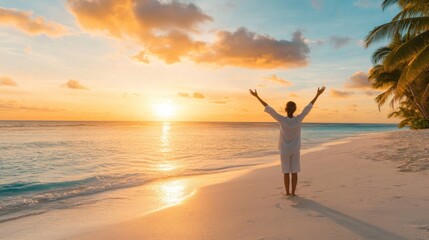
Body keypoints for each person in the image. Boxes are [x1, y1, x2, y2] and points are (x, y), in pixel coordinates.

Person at [249, 87, 326, 196]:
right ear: (294, 109)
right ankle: (293, 193)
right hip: (295, 149)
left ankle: (287, 193)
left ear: (285, 109)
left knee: (286, 172)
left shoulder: (282, 119)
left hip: (284, 150)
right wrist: (318, 95)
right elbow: (308, 108)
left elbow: (269, 108)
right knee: (294, 172)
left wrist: (257, 96)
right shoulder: (298, 119)